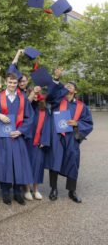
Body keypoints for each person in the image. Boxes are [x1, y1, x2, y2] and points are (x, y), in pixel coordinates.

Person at [45, 67, 93, 203]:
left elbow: (89, 122)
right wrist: (56, 78)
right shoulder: (57, 101)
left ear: (75, 91)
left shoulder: (81, 106)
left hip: (71, 138)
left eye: (71, 86)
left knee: (73, 162)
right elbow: (49, 96)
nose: (68, 86)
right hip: (57, 136)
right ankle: (53, 189)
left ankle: (72, 191)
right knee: (55, 161)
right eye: (66, 85)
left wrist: (77, 123)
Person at [0, 72, 35, 206]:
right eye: (10, 82)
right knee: (4, 163)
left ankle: (17, 192)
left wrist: (21, 131)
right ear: (5, 82)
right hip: (3, 137)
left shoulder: (23, 99)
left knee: (18, 164)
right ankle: (5, 192)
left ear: (17, 84)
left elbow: (29, 118)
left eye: (15, 83)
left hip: (17, 135)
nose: (12, 85)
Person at [23, 86, 51, 201]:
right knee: (26, 166)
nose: (35, 96)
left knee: (38, 166)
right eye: (32, 93)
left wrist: (44, 140)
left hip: (38, 142)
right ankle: (27, 190)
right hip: (26, 141)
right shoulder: (26, 106)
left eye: (36, 94)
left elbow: (47, 125)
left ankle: (36, 190)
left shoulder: (44, 110)